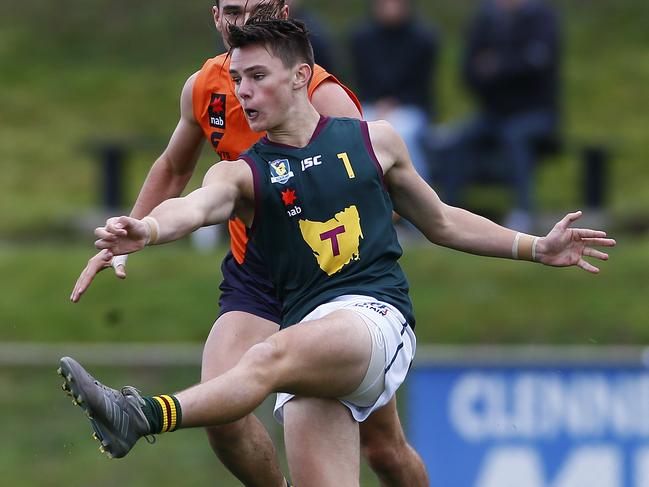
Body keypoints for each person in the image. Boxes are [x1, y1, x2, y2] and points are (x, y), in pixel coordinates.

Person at [61, 17, 615, 486]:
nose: (242, 92)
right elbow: (197, 205)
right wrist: (149, 230)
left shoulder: (375, 139)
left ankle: (142, 414)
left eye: (256, 77)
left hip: (373, 321)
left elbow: (442, 221)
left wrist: (535, 246)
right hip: (313, 341)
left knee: (266, 360)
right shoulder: (241, 173)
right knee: (303, 390)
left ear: (301, 76)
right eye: (236, 80)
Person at [69, 1, 428, 486]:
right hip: (257, 270)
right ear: (215, 15)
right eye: (234, 10)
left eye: (257, 9)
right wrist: (133, 231)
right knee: (222, 408)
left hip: (331, 270)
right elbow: (179, 173)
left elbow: (383, 202)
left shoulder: (328, 101)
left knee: (384, 449)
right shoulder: (204, 88)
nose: (244, 22)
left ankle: (144, 414)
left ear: (282, 10)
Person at [440, 0, 560, 232]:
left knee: (514, 136)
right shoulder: (486, 19)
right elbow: (469, 70)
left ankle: (524, 210)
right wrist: (505, 66)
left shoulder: (541, 17)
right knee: (458, 140)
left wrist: (497, 66)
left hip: (536, 113)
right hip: (493, 114)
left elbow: (538, 64)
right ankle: (447, 212)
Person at [349, 0, 439, 184]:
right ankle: (362, 192)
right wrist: (377, 102)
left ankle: (418, 195)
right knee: (354, 133)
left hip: (411, 107)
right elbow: (360, 81)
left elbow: (422, 85)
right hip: (371, 105)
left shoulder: (424, 39)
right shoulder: (361, 38)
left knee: (403, 134)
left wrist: (395, 103)